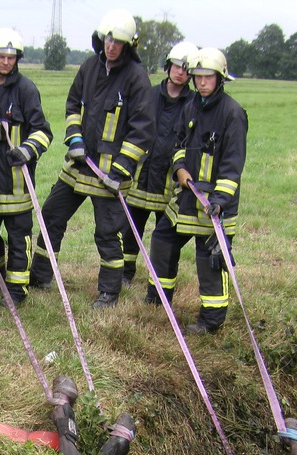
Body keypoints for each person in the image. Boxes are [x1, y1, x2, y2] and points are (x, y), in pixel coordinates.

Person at [29, 9, 154, 308]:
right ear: (102, 38)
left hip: (110, 174)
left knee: (108, 233)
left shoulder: (136, 78)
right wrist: (74, 137)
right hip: (78, 165)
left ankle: (109, 291)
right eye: (108, 39)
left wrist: (123, 168)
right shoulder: (89, 67)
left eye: (118, 42)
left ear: (128, 45)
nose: (112, 46)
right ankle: (41, 275)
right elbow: (73, 103)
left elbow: (143, 128)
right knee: (51, 216)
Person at [147, 48, 248, 334]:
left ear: (220, 78)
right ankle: (157, 298)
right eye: (198, 77)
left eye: (208, 77)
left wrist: (218, 201)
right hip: (187, 197)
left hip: (215, 205)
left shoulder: (233, 114)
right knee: (164, 239)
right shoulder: (191, 106)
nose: (202, 82)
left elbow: (232, 166)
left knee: (210, 260)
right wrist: (179, 169)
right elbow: (178, 144)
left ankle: (211, 321)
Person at [0, 28, 52, 307]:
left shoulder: (26, 89)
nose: (6, 61)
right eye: (1, 56)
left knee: (19, 237)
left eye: (12, 57)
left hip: (16, 181)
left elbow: (43, 131)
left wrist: (27, 150)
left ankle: (17, 289)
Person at [121, 41, 198, 286]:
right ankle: (125, 272)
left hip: (170, 178)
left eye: (187, 69)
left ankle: (159, 275)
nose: (181, 72)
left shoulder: (194, 104)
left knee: (164, 234)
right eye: (177, 66)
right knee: (131, 227)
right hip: (140, 174)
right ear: (168, 66)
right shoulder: (149, 94)